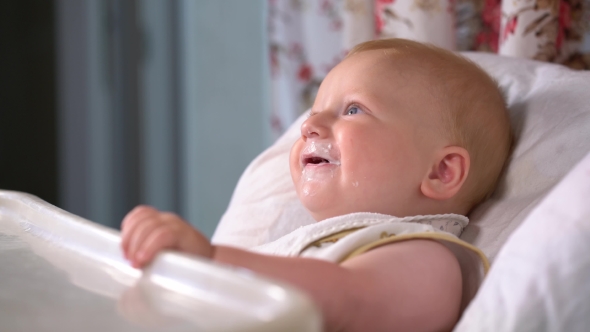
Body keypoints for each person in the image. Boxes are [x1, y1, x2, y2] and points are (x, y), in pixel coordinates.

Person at [120, 38, 512, 332]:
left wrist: (210, 264)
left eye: (353, 109)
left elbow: (342, 299)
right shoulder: (315, 246)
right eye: (315, 111)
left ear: (441, 172)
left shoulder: (428, 259)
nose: (308, 126)